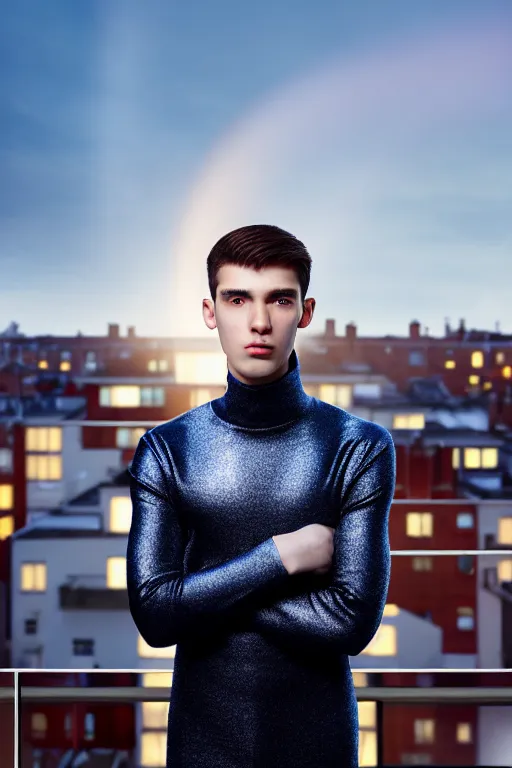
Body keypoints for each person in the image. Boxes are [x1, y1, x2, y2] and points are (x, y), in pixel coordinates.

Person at [126, 224, 396, 767]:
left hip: (318, 748)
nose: (259, 322)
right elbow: (155, 618)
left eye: (279, 299)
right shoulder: (165, 450)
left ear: (306, 311)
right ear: (210, 311)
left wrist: (202, 590)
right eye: (237, 298)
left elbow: (350, 623)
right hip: (202, 747)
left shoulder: (359, 446)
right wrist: (281, 557)